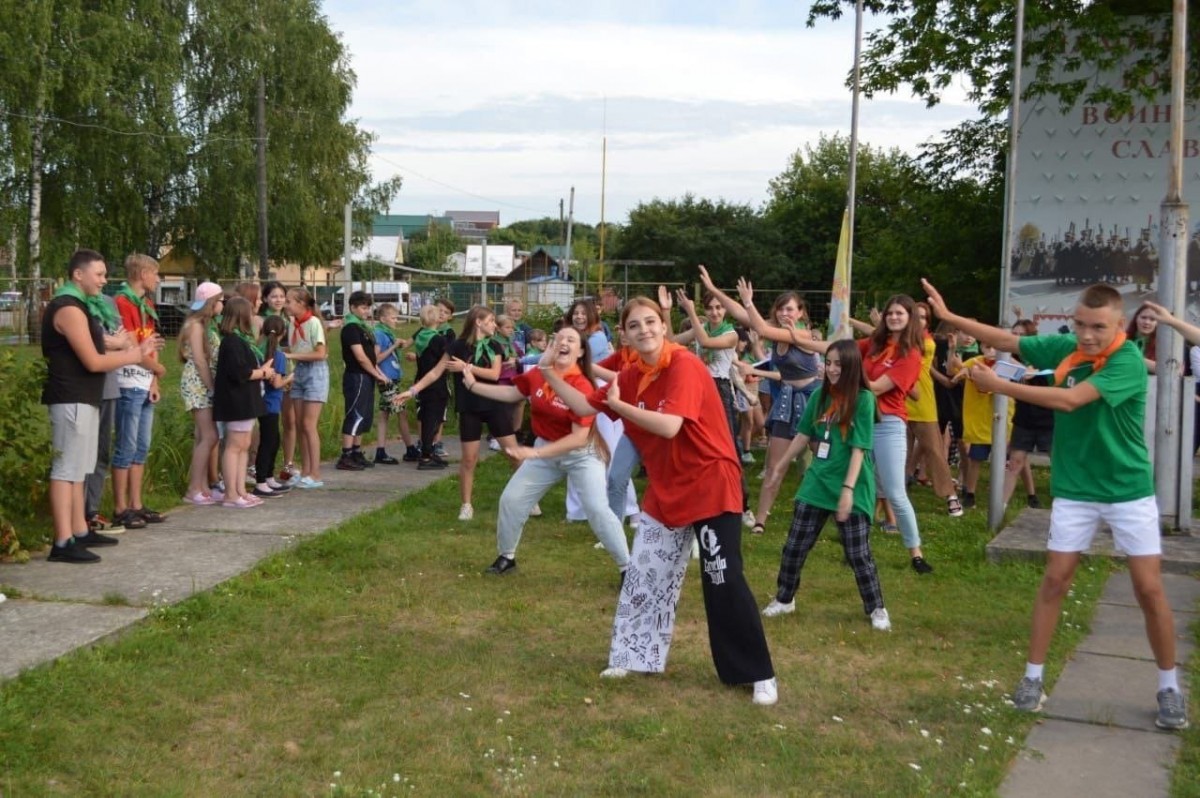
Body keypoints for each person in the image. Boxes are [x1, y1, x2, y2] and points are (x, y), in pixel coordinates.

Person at [923, 279, 1188, 731]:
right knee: (1054, 581)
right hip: (1076, 489)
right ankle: (1032, 678)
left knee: (1149, 589)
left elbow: (1069, 401)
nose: (1087, 335)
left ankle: (1169, 687)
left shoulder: (1125, 361)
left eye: (1098, 328)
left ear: (1118, 325)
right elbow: (1009, 341)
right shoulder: (1068, 348)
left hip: (1128, 490)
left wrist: (1000, 387)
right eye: (1081, 325)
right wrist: (950, 318)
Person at [541, 296, 778, 706]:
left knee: (723, 579)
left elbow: (669, 427)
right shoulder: (631, 374)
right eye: (635, 326)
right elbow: (583, 404)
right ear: (626, 335)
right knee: (644, 575)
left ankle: (758, 674)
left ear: (663, 326)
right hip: (668, 487)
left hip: (711, 482)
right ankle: (633, 656)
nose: (645, 330)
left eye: (651, 322)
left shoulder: (683, 364)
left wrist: (619, 406)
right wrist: (549, 371)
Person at [457, 326, 630, 576]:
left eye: (571, 340)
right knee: (512, 500)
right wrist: (473, 386)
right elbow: (513, 392)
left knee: (597, 509)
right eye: (558, 338)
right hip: (545, 449)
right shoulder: (539, 373)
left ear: (580, 351)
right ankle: (507, 557)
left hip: (581, 454)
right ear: (549, 347)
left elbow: (578, 438)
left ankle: (627, 568)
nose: (563, 342)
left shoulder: (581, 385)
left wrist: (533, 454)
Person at [760, 339, 890, 632]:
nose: (831, 369)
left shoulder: (864, 400)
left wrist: (847, 491)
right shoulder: (819, 396)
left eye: (837, 364)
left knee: (858, 554)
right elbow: (804, 435)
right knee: (794, 546)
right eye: (828, 363)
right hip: (817, 482)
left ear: (851, 367)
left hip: (853, 484)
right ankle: (784, 599)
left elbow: (860, 449)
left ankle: (876, 607)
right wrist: (779, 467)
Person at [43, 249, 161, 563]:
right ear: (78, 274)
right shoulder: (68, 308)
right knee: (65, 470)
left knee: (79, 469)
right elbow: (94, 361)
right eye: (99, 274)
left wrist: (128, 347)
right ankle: (62, 540)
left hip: (85, 396)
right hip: (70, 396)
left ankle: (80, 530)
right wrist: (136, 355)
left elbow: (99, 346)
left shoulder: (83, 307)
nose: (104, 281)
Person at [699, 268, 819, 534]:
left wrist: (749, 302)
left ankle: (842, 509)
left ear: (800, 313)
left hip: (814, 400)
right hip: (788, 400)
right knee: (775, 465)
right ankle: (761, 520)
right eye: (781, 309)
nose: (785, 314)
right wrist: (715, 288)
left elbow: (757, 324)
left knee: (827, 459)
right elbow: (743, 316)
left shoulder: (800, 333)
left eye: (790, 309)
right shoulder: (775, 329)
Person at [400, 305, 517, 519]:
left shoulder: (495, 346)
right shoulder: (457, 346)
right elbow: (435, 372)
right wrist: (412, 390)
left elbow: (494, 374)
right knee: (469, 459)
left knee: (513, 454)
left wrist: (467, 367)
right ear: (478, 322)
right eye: (491, 320)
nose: (494, 325)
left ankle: (529, 497)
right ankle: (466, 505)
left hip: (494, 405)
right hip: (469, 408)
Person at [112, 253, 168, 530]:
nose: (158, 279)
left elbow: (152, 344)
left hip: (145, 382)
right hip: (128, 381)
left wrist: (154, 380)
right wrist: (156, 370)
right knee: (126, 445)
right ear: (142, 273)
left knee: (141, 446)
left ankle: (136, 503)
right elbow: (133, 348)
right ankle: (120, 507)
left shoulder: (146, 303)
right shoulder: (123, 302)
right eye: (155, 273)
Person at [213, 297, 273, 508]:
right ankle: (231, 493)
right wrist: (263, 372)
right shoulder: (231, 341)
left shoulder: (241, 340)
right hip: (236, 401)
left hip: (246, 400)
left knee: (244, 445)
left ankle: (240, 490)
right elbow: (240, 372)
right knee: (234, 446)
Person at [951, 341, 1014, 508]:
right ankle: (970, 493)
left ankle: (1000, 496)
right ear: (981, 347)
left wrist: (967, 370)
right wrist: (954, 354)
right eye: (987, 347)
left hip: (1002, 421)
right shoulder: (975, 361)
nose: (991, 350)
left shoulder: (1007, 364)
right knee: (975, 459)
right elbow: (954, 370)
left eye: (994, 346)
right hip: (980, 422)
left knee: (1004, 461)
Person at [336, 291, 393, 472]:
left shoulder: (363, 327)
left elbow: (371, 358)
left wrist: (379, 373)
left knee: (365, 415)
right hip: (356, 376)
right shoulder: (351, 328)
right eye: (362, 307)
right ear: (352, 307)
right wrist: (375, 374)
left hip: (367, 375)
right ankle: (345, 454)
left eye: (368, 307)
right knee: (355, 414)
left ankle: (356, 451)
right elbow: (360, 358)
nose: (366, 311)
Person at [180, 282, 225, 505]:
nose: (222, 304)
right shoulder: (196, 325)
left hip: (202, 381)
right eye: (220, 300)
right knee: (210, 436)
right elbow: (200, 360)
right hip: (199, 382)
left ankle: (202, 485)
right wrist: (212, 387)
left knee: (202, 435)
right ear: (211, 303)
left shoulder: (206, 324)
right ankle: (193, 487)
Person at [83, 291, 123, 534]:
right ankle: (78, 516)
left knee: (101, 452)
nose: (104, 280)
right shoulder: (73, 304)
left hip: (109, 385)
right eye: (99, 274)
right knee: (81, 456)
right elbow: (95, 342)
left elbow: (123, 341)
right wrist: (109, 342)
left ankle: (92, 510)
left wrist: (113, 343)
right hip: (85, 389)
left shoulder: (108, 303)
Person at [1003, 319, 1052, 509]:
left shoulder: (1042, 357)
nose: (1016, 338)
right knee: (1014, 462)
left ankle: (1065, 505)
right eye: (1014, 334)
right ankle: (1001, 506)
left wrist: (1034, 371)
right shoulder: (1009, 358)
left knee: (1057, 462)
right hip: (1023, 419)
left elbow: (1045, 375)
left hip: (1048, 419)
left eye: (1021, 335)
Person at [283, 287, 328, 488]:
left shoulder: (313, 323)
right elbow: (295, 348)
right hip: (300, 372)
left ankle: (316, 473)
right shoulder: (293, 324)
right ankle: (306, 470)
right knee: (300, 424)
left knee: (309, 425)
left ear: (301, 304)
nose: (286, 305)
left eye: (289, 301)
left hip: (314, 373)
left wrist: (291, 356)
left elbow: (320, 353)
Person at [404, 304, 451, 471]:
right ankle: (425, 456)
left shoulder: (421, 336)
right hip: (436, 383)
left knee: (427, 418)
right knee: (433, 419)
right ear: (436, 318)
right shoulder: (438, 339)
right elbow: (448, 356)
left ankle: (429, 451)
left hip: (422, 380)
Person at [252, 314, 292, 498]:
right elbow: (276, 383)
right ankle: (261, 481)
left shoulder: (258, 348)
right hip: (272, 403)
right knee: (269, 442)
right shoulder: (279, 355)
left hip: (260, 400)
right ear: (283, 333)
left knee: (272, 440)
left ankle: (268, 477)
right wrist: (292, 377)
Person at [372, 303, 416, 464]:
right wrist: (393, 346)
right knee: (401, 413)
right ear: (383, 319)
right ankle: (410, 448)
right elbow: (375, 359)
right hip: (386, 379)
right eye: (393, 317)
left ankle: (380, 450)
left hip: (392, 378)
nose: (396, 321)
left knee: (385, 414)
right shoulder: (379, 334)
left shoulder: (387, 333)